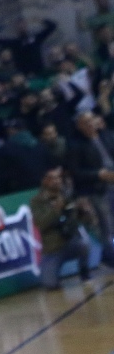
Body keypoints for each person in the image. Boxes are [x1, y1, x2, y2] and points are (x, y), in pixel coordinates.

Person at [64, 111, 114, 266]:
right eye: (85, 122)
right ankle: (110, 257)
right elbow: (75, 172)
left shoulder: (107, 136)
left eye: (91, 120)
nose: (90, 124)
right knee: (107, 225)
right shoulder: (74, 145)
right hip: (97, 189)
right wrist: (99, 174)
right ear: (79, 126)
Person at [30, 167, 93, 289]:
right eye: (52, 178)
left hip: (69, 243)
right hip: (52, 249)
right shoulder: (37, 201)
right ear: (44, 181)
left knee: (84, 243)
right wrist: (56, 210)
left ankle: (85, 273)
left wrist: (85, 212)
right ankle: (53, 276)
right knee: (50, 285)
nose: (56, 181)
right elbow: (41, 224)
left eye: (58, 178)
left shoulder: (67, 195)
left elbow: (81, 221)